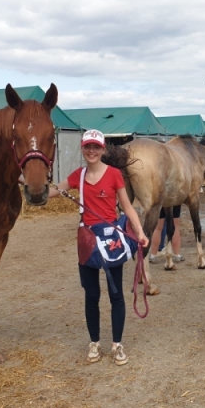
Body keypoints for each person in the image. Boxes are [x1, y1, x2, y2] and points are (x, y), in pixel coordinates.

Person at [49, 129, 149, 366]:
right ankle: (94, 343)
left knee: (116, 294)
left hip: (111, 240)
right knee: (91, 295)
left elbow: (127, 207)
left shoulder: (114, 175)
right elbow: (51, 192)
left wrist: (141, 232)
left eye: (96, 147)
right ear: (82, 149)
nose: (92, 151)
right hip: (87, 241)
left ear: (103, 149)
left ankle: (117, 344)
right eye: (87, 147)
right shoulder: (77, 176)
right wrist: (28, 181)